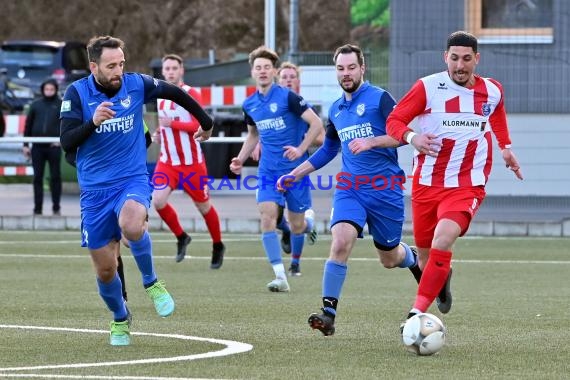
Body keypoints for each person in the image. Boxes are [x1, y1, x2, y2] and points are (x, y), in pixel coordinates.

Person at [59, 36, 214, 346]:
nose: (119, 70)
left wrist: (206, 122)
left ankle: (152, 283)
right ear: (94, 67)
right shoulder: (76, 94)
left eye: (122, 64)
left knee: (132, 223)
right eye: (111, 66)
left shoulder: (136, 84)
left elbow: (175, 92)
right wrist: (93, 122)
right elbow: (67, 142)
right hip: (94, 193)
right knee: (105, 270)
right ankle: (120, 318)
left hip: (132, 179)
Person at [276, 44, 421, 336]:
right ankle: (328, 314)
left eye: (351, 67)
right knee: (340, 242)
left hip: (385, 189)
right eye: (340, 69)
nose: (346, 73)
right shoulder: (336, 109)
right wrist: (295, 173)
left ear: (362, 68)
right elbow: (328, 150)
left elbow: (404, 135)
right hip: (350, 187)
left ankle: (415, 260)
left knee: (390, 258)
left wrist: (371, 142)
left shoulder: (380, 98)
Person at [385, 31, 523, 327]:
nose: (460, 66)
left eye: (467, 59)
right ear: (445, 57)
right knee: (425, 257)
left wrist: (506, 147)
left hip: (467, 183)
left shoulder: (492, 90)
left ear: (477, 59)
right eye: (455, 58)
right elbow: (394, 121)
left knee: (443, 238)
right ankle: (442, 278)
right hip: (426, 183)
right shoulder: (427, 87)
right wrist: (413, 137)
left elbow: (496, 114)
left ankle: (415, 314)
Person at [230, 46, 324, 291]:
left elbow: (316, 124)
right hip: (268, 172)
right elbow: (252, 135)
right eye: (258, 67)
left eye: (266, 67)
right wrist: (240, 158)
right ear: (252, 72)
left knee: (297, 226)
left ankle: (309, 225)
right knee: (267, 218)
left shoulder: (289, 98)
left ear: (274, 71)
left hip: (295, 172)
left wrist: (301, 149)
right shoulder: (249, 104)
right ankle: (281, 277)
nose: (262, 71)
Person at [153, 54, 225, 267]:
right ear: (163, 72)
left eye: (175, 68)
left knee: (203, 207)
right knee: (157, 201)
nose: (171, 72)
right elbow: (164, 125)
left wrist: (171, 124)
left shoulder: (191, 93)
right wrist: (159, 132)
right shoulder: (159, 96)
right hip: (167, 161)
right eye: (167, 68)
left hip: (191, 163)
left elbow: (201, 125)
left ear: (181, 70)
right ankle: (181, 236)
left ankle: (218, 244)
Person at [250, 61, 320, 263]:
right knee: (267, 210)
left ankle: (303, 230)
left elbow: (322, 137)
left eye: (292, 77)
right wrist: (259, 142)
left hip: (295, 169)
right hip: (270, 169)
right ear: (278, 80)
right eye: (284, 77)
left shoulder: (304, 106)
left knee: (296, 222)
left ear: (298, 81)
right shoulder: (269, 105)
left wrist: (301, 140)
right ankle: (284, 235)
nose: (288, 81)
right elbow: (264, 129)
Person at [22, 79, 62, 215]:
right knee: (37, 178)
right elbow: (28, 125)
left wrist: (61, 141)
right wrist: (25, 145)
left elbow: (66, 125)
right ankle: (37, 209)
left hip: (54, 147)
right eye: (47, 89)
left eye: (51, 89)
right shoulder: (36, 105)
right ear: (42, 90)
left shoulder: (61, 105)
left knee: (55, 177)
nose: (49, 91)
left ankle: (56, 207)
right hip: (37, 147)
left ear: (56, 90)